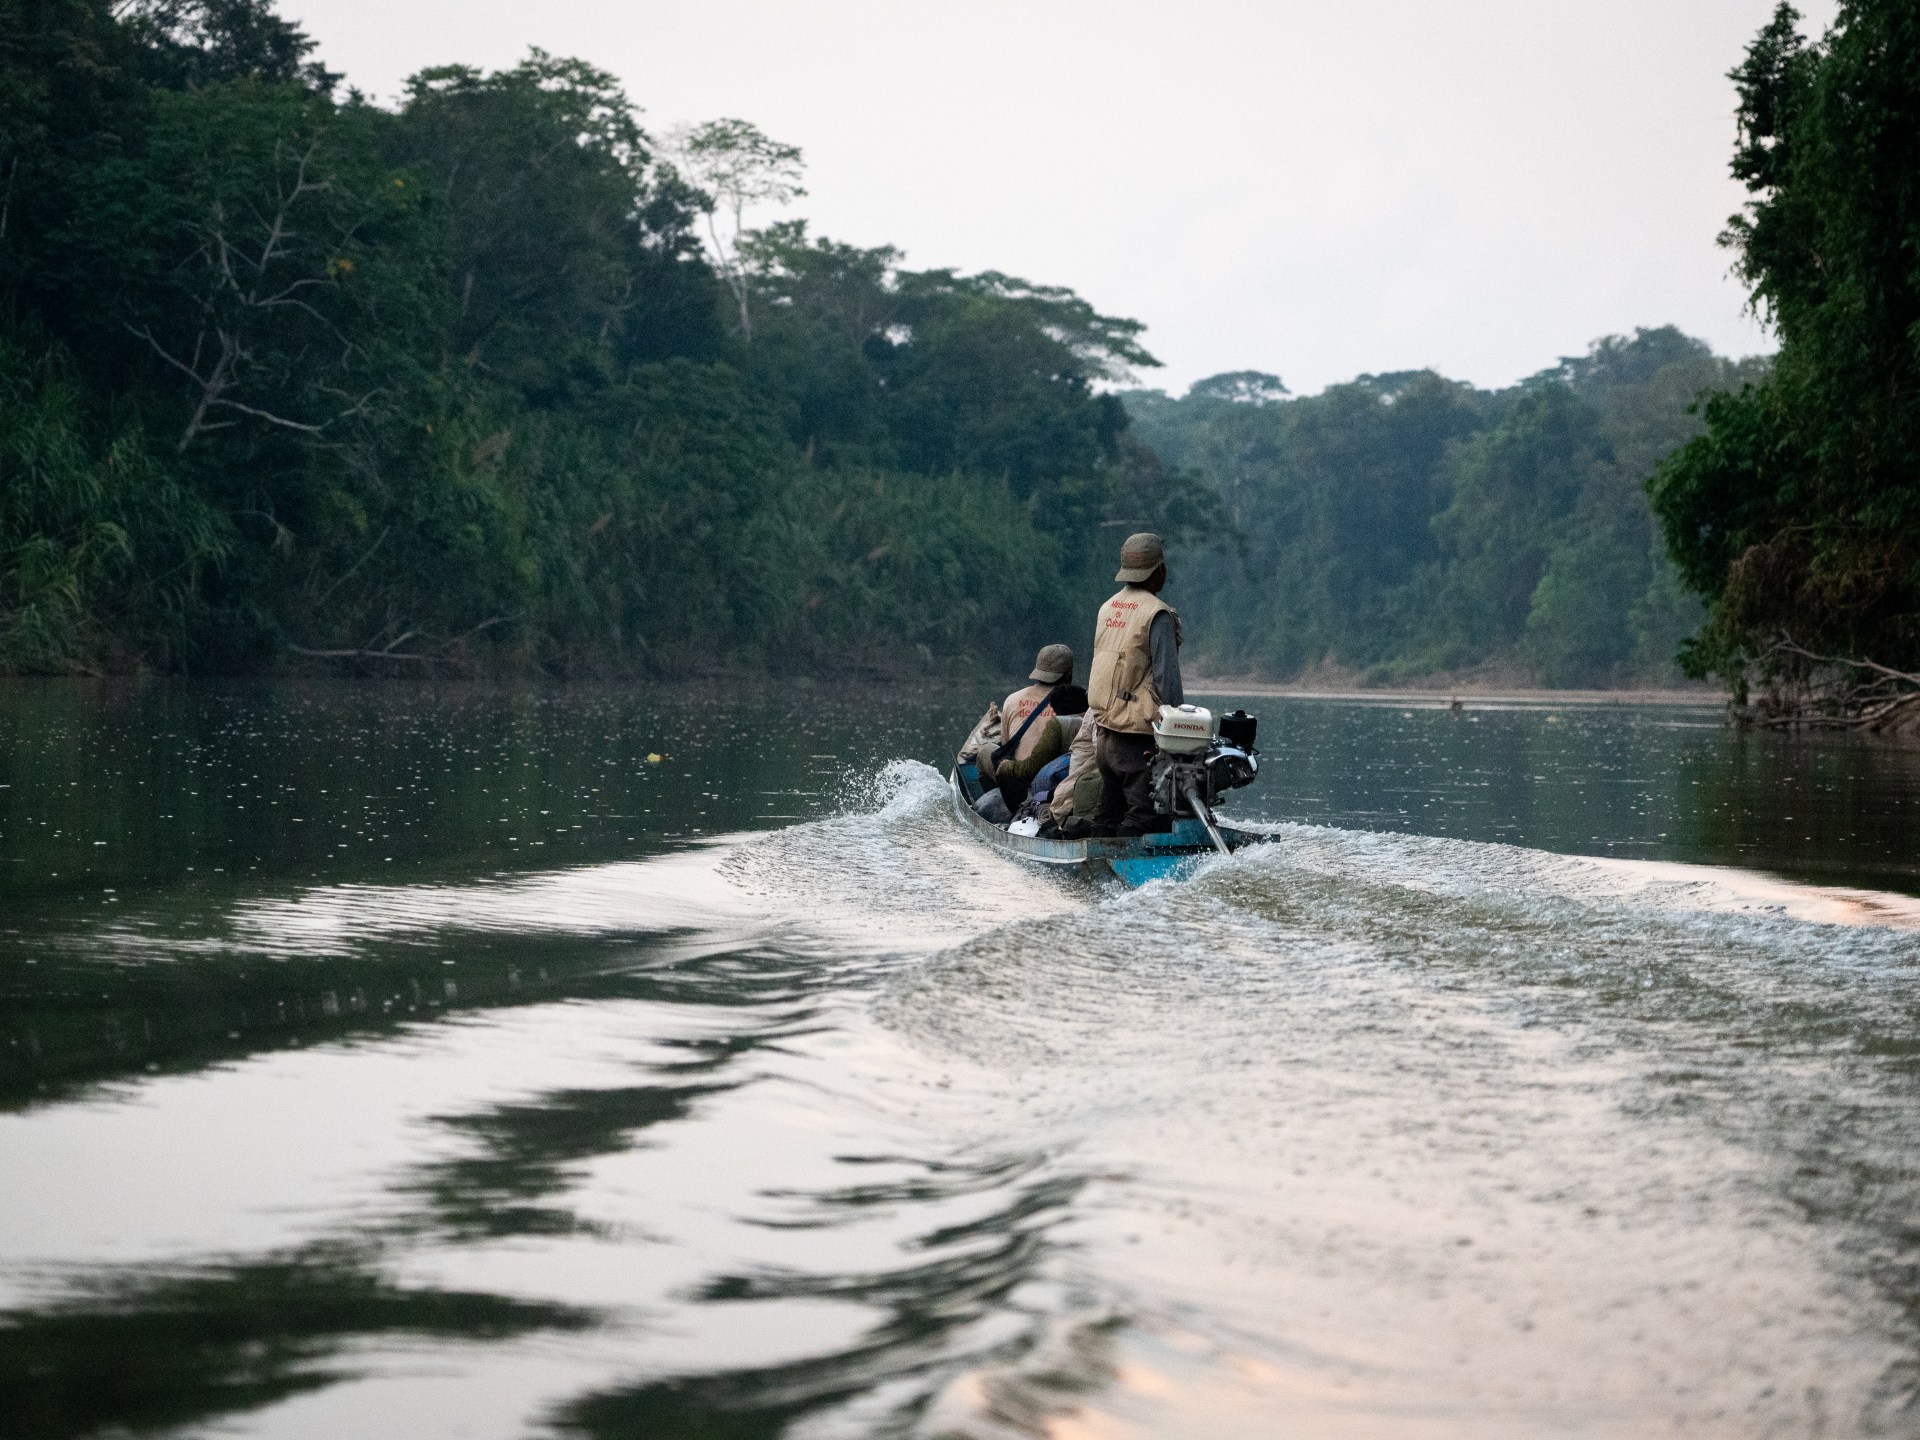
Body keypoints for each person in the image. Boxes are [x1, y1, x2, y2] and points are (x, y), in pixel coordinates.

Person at [1086, 531, 1182, 837]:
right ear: (1159, 572)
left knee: (1108, 814)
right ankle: (1122, 880)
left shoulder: (1107, 608)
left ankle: (1090, 875)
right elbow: (1169, 685)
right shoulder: (1157, 613)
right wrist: (1179, 734)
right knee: (1145, 819)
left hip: (1105, 739)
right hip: (1136, 743)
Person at [989, 643, 1077, 812]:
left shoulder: (1013, 699)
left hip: (1021, 781)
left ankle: (1001, 805)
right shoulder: (1080, 703)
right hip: (1059, 782)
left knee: (986, 751)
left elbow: (1006, 746)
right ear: (1069, 674)